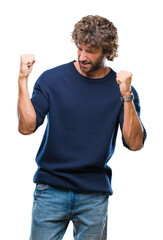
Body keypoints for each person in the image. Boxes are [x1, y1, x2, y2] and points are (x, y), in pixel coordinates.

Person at [18, 15, 146, 240]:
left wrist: (127, 96)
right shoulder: (52, 79)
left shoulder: (123, 90)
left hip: (94, 194)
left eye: (91, 51)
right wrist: (22, 80)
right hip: (50, 189)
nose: (83, 56)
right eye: (80, 48)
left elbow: (135, 144)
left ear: (107, 51)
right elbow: (26, 127)